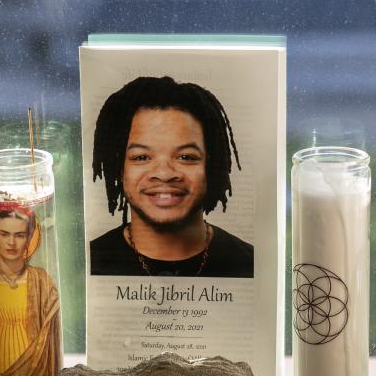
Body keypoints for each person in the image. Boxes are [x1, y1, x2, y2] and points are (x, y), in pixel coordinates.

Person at [90, 76, 254, 277]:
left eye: (186, 157)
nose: (164, 174)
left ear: (211, 165)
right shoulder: (89, 264)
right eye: (141, 157)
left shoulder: (250, 264)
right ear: (119, 169)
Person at [0, 202, 61, 376]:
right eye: (4, 234)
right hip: (2, 372)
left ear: (29, 238)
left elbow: (51, 339)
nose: (11, 243)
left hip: (38, 374)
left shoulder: (41, 281)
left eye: (19, 235)